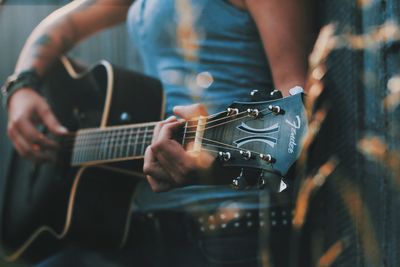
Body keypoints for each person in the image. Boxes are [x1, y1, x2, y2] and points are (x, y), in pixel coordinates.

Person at [2, 0, 315, 266]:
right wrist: (23, 86)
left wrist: (211, 168)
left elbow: (299, 114)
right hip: (148, 226)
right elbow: (65, 24)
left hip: (234, 231)